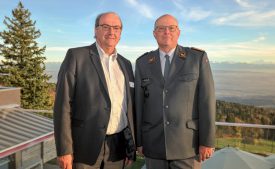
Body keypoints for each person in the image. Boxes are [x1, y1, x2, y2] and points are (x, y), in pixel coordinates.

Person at [54, 12, 135, 169]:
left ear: (121, 32)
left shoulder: (126, 64)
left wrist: (130, 147)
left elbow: (128, 108)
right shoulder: (77, 56)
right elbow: (62, 105)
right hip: (84, 146)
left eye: (116, 28)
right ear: (95, 30)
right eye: (105, 27)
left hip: (118, 148)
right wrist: (64, 150)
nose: (111, 32)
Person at [135, 14, 216, 169]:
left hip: (188, 145)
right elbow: (139, 105)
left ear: (178, 32)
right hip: (153, 145)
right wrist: (139, 141)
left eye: (171, 28)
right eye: (161, 28)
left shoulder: (197, 58)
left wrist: (207, 141)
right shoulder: (143, 62)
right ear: (154, 33)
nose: (167, 32)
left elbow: (207, 101)